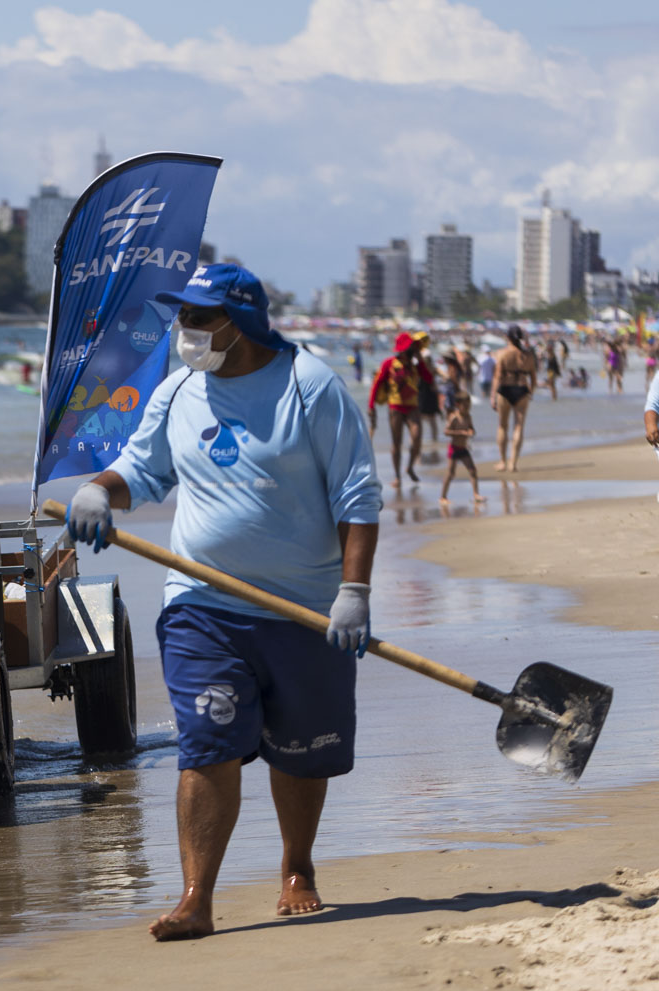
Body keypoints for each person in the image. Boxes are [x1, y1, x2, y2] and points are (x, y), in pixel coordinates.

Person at [63, 263, 380, 942]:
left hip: (306, 609)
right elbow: (141, 471)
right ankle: (196, 897)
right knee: (207, 743)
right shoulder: (178, 391)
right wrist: (99, 490)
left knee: (300, 749)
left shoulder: (310, 385)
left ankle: (297, 868)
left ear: (241, 321)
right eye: (182, 317)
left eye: (200, 318)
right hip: (201, 604)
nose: (186, 331)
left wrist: (354, 592)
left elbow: (357, 497)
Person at [366, 331, 432, 488]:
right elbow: (377, 384)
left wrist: (420, 359)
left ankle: (409, 467)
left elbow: (428, 379)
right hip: (395, 407)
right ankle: (397, 477)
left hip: (413, 406)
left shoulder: (415, 365)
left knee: (417, 437)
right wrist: (371, 406)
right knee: (397, 443)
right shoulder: (389, 363)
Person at [491, 325, 537, 473]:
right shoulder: (529, 356)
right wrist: (531, 392)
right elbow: (534, 378)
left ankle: (503, 462)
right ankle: (513, 463)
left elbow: (497, 377)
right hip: (522, 390)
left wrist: (492, 396)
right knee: (518, 426)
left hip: (505, 389)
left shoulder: (502, 354)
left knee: (502, 426)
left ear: (507, 337)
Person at [439, 390, 483, 506]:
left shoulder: (468, 417)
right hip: (454, 448)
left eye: (469, 405)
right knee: (450, 474)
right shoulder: (454, 417)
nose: (468, 407)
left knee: (473, 471)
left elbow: (472, 429)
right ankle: (443, 497)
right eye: (466, 405)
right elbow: (446, 432)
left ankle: (476, 494)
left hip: (464, 449)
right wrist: (461, 433)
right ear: (458, 405)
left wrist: (471, 432)